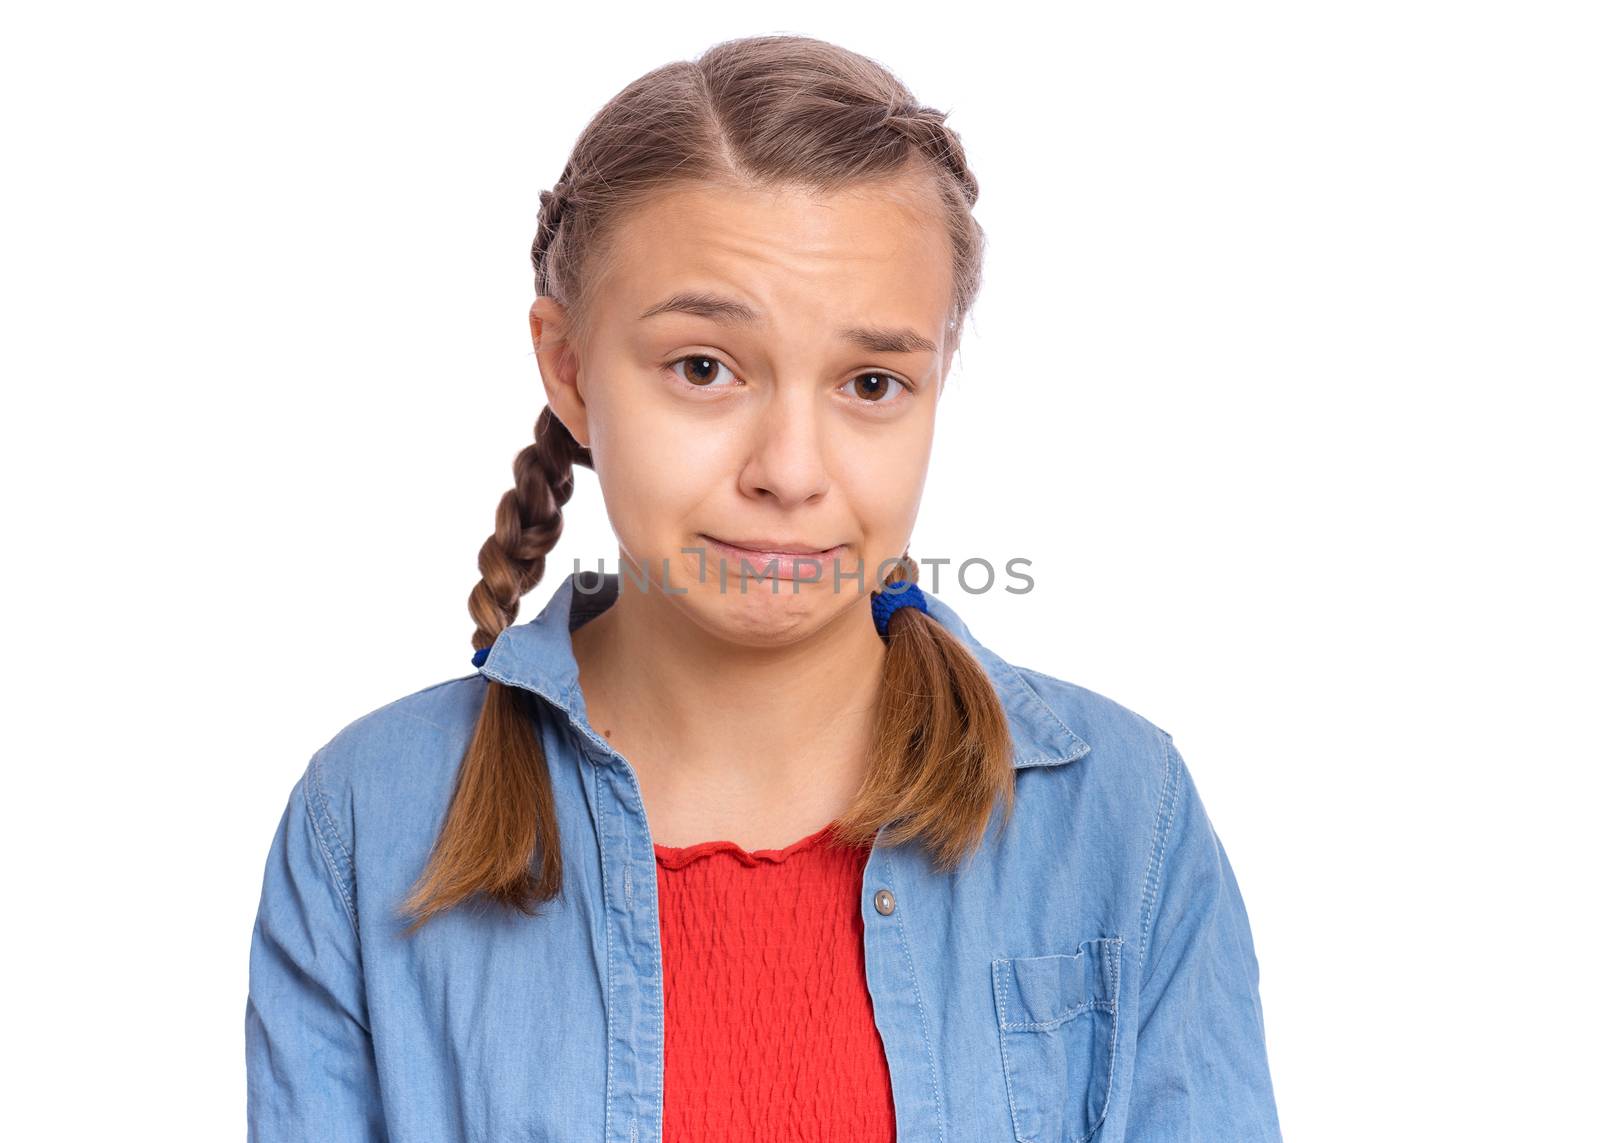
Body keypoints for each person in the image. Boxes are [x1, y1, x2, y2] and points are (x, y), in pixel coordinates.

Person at [244, 32, 1281, 1143]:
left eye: (872, 382)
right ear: (570, 369)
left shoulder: (1125, 819)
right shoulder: (366, 823)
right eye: (703, 369)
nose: (789, 471)